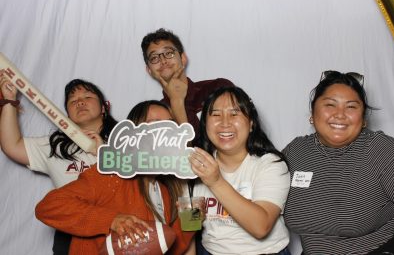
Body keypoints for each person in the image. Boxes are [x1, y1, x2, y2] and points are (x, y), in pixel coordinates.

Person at [35, 100, 194, 255]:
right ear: (134, 134)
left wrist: (194, 215)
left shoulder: (164, 190)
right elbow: (49, 206)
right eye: (154, 124)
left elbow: (168, 246)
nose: (165, 132)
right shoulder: (111, 176)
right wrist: (111, 220)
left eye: (170, 125)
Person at [283, 71, 394, 254]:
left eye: (351, 107)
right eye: (330, 105)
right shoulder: (296, 151)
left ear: (363, 119)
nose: (340, 115)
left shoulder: (380, 149)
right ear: (312, 114)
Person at [0, 77, 118, 255]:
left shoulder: (126, 139)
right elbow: (12, 145)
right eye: (73, 101)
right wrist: (9, 101)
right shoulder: (55, 146)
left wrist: (104, 155)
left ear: (103, 107)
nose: (80, 102)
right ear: (67, 115)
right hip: (73, 231)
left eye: (87, 97)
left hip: (119, 226)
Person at [188, 86, 291, 254]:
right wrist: (190, 215)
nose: (225, 122)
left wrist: (215, 181)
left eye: (234, 114)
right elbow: (192, 225)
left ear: (251, 124)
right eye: (215, 114)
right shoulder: (200, 164)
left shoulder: (270, 164)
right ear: (205, 125)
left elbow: (261, 227)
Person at [141, 28, 234, 143]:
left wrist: (177, 102)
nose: (163, 61)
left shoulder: (218, 88)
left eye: (169, 53)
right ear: (149, 70)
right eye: (154, 58)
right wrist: (175, 100)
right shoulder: (156, 114)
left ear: (183, 58)